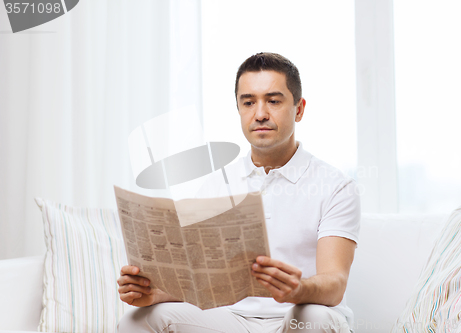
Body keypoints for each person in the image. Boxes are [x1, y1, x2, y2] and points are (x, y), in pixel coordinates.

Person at [117, 52, 360, 333]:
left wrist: (298, 289)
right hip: (232, 320)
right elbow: (200, 283)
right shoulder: (218, 184)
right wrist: (152, 293)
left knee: (312, 318)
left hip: (298, 318)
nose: (260, 114)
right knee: (139, 319)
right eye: (248, 102)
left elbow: (335, 283)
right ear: (239, 109)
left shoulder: (335, 185)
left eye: (273, 100)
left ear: (299, 109)